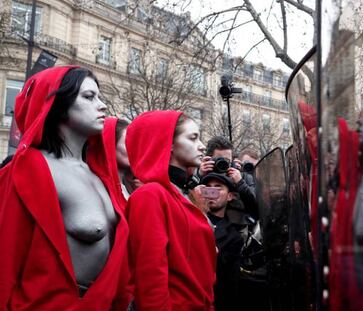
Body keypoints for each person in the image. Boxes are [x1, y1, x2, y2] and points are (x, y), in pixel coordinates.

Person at [0, 66, 131, 310]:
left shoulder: (100, 175)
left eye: (99, 97)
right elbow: (4, 261)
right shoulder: (26, 170)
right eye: (89, 97)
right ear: (59, 105)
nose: (102, 105)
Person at [125, 110, 217, 310]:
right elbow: (150, 277)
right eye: (193, 138)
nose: (202, 146)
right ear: (168, 143)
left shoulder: (186, 194)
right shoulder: (150, 195)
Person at [201, 172, 244, 311]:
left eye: (218, 188)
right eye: (208, 187)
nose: (212, 192)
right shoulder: (191, 216)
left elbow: (229, 285)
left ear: (230, 196)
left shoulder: (234, 237)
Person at [199, 136, 258, 219]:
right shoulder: (201, 173)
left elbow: (257, 207)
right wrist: (199, 176)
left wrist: (240, 183)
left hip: (236, 228)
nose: (223, 163)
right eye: (219, 159)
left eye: (227, 161)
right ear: (209, 159)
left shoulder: (242, 177)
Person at [102, 117, 142, 209]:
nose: (135, 149)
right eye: (128, 142)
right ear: (110, 144)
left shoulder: (133, 186)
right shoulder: (100, 187)